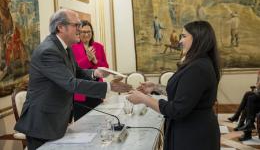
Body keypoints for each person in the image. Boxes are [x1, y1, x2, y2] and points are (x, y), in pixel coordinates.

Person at [14, 9, 132, 150]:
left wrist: (95, 72)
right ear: (60, 27)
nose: (80, 29)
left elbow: (77, 72)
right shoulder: (48, 51)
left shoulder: (65, 47)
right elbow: (71, 83)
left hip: (56, 119)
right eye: (76, 25)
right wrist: (109, 87)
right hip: (42, 123)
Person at [127, 20, 221, 150]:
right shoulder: (198, 63)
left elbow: (177, 109)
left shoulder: (197, 68)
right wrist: (155, 87)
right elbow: (185, 94)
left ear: (198, 38)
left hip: (193, 136)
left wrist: (144, 99)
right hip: (192, 130)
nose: (180, 41)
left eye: (184, 36)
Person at [71, 20, 109, 121]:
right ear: (78, 33)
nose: (87, 34)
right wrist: (87, 59)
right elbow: (74, 68)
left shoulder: (99, 47)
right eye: (83, 32)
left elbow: (106, 68)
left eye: (89, 32)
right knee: (82, 123)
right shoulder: (72, 47)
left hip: (96, 90)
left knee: (99, 121)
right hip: (81, 90)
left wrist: (95, 60)